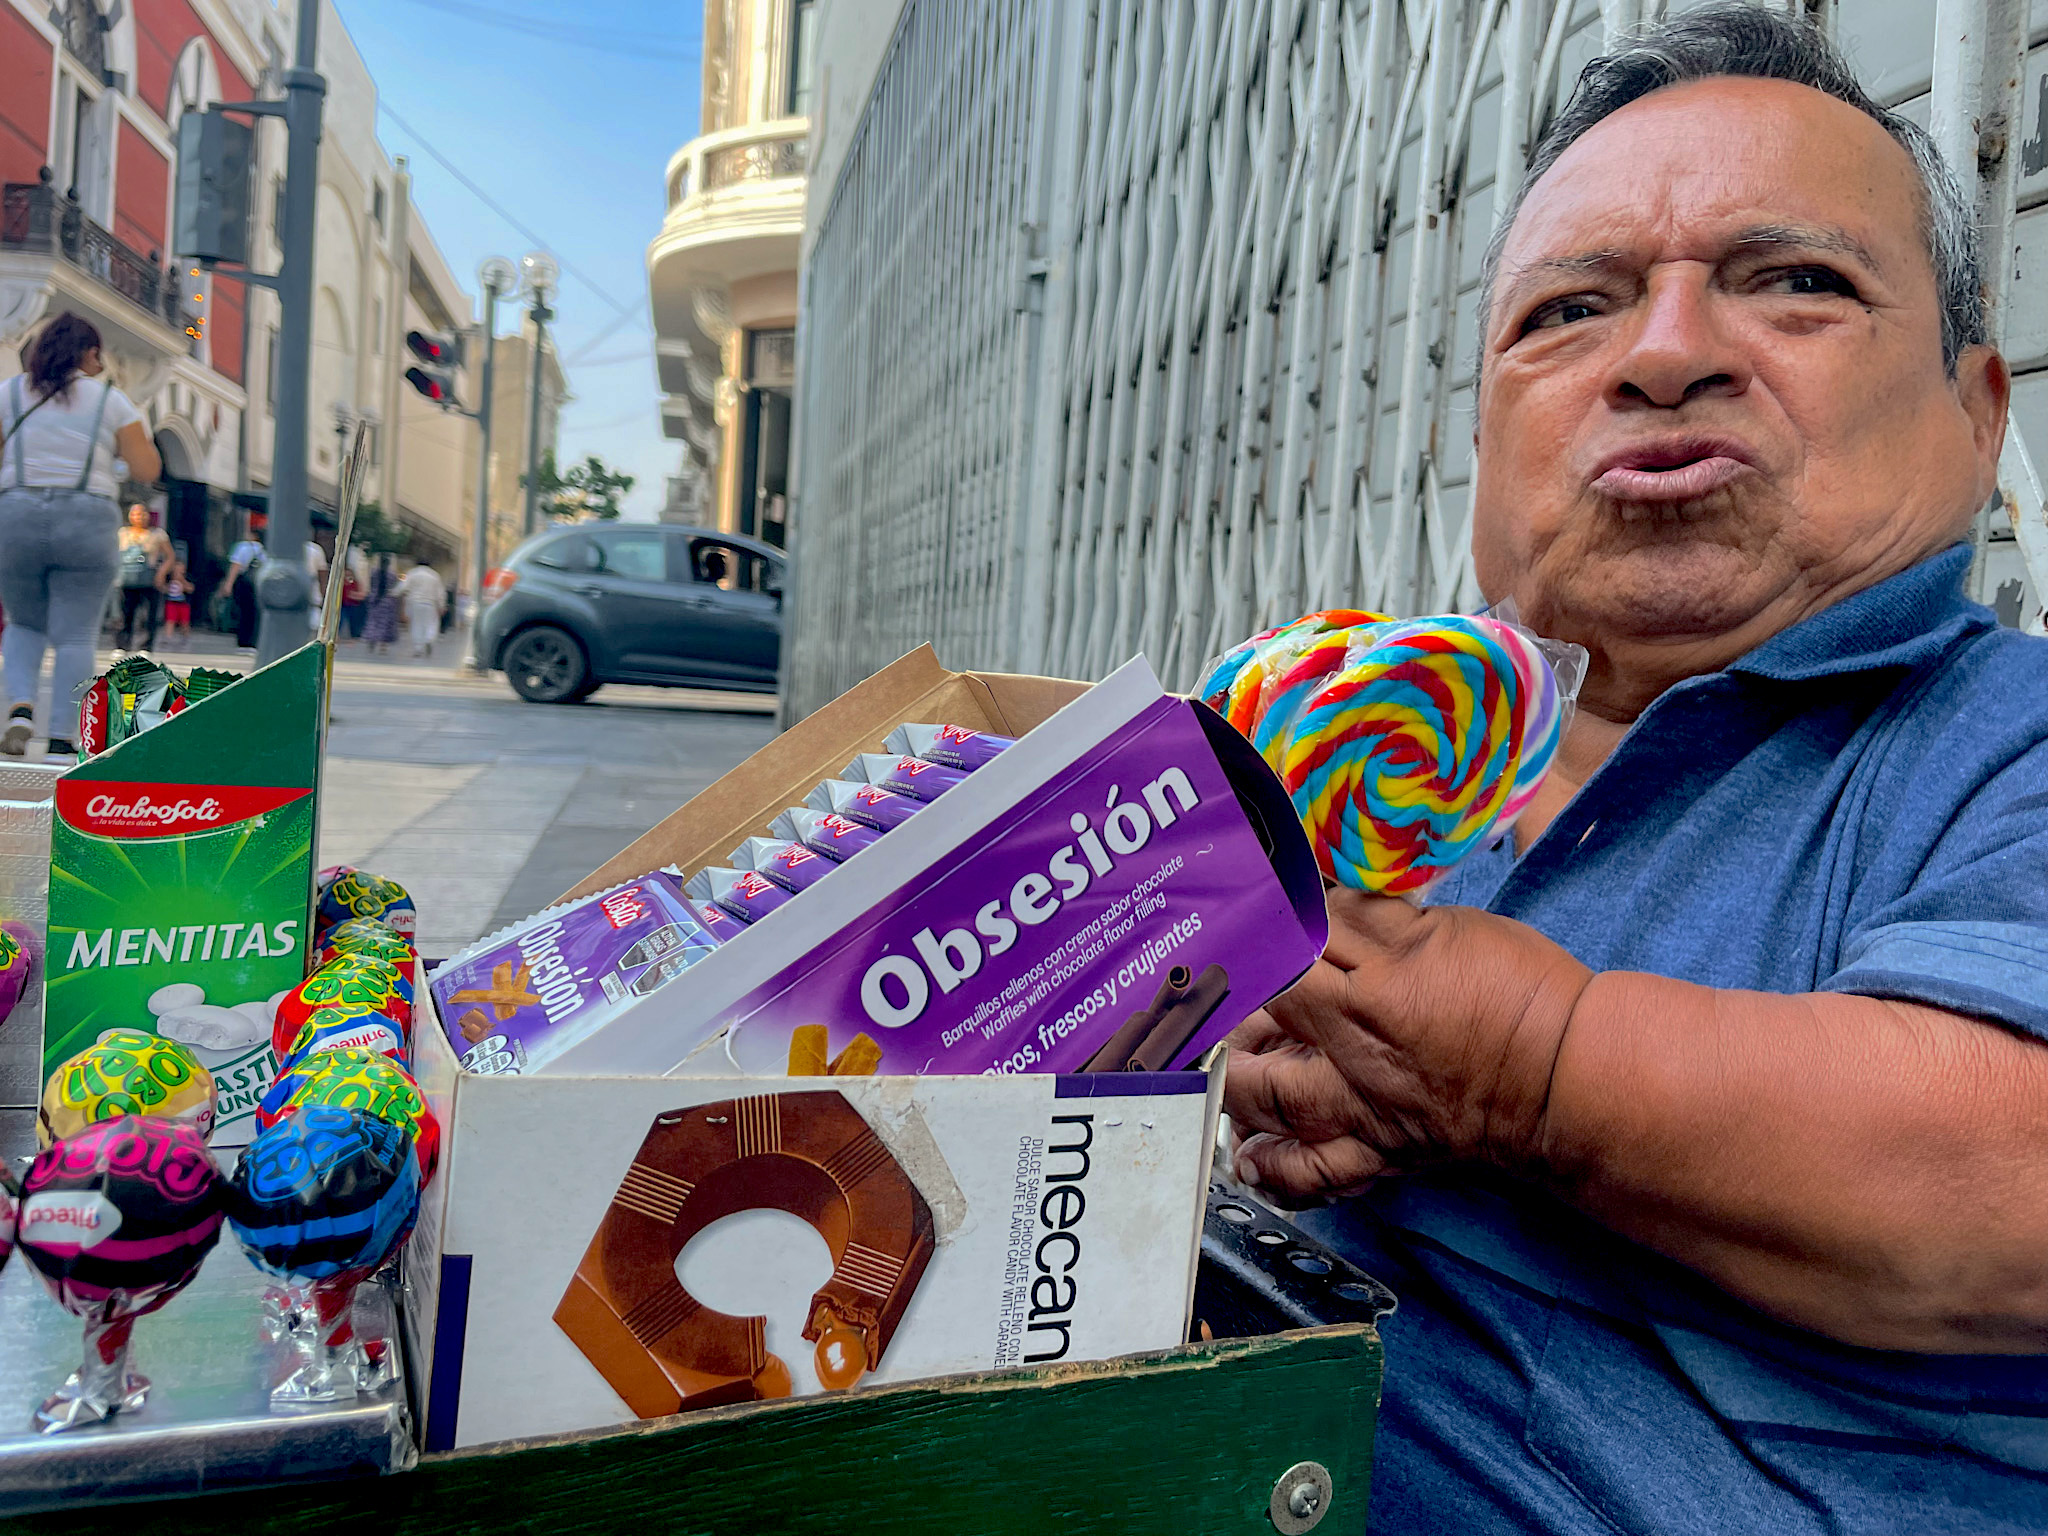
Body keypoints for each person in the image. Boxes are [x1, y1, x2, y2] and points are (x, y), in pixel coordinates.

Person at [1223, 10, 2047, 1534]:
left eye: (1797, 283)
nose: (1663, 355)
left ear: (1977, 415)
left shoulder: (2012, 743)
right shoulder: (1366, 757)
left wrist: (1525, 1061)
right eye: (1569, 312)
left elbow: (2014, 1190)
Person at [0, 313, 159, 756]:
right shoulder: (112, 400)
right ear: (88, 354)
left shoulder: (9, 393)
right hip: (87, 515)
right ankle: (60, 739)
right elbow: (148, 469)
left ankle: (20, 708)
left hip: (17, 513)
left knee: (23, 622)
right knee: (75, 634)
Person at [113, 503, 169, 651]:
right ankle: (122, 644)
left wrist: (161, 574)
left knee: (149, 614)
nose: (140, 517)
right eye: (136, 514)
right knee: (124, 613)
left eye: (143, 514)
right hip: (126, 579)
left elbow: (170, 557)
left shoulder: (157, 534)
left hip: (148, 580)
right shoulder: (122, 534)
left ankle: (145, 646)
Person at [216, 528, 264, 650]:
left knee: (243, 611)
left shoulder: (243, 547)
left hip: (244, 583)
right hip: (258, 584)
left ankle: (243, 640)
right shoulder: (264, 550)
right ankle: (254, 640)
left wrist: (228, 584)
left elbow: (235, 566)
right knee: (255, 612)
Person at [396, 559, 446, 657]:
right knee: (431, 623)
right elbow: (441, 593)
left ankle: (418, 648)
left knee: (416, 625)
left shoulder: (413, 573)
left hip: (415, 602)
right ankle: (429, 639)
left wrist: (394, 593)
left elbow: (403, 587)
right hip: (430, 603)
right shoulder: (434, 575)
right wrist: (441, 605)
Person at [361, 552, 398, 652]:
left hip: (375, 599)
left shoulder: (374, 573)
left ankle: (371, 641)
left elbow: (370, 584)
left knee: (373, 621)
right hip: (387, 600)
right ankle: (383, 645)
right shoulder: (392, 575)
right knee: (385, 623)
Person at [160, 552, 191, 645]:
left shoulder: (187, 578)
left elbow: (191, 589)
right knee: (170, 620)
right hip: (171, 603)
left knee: (184, 622)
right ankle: (168, 637)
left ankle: (185, 636)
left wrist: (182, 581)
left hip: (183, 603)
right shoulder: (168, 578)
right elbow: (163, 588)